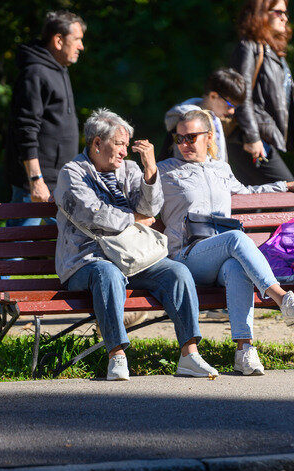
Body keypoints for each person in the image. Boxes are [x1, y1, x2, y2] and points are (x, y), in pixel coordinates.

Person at [55, 109, 212, 381]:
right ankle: (116, 355)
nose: (124, 152)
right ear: (96, 143)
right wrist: (134, 218)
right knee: (108, 274)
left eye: (126, 146)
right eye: (119, 145)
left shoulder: (128, 168)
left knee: (177, 273)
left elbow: (151, 208)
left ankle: (189, 354)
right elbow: (93, 214)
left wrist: (151, 172)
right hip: (86, 260)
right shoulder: (72, 173)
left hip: (131, 257)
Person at [158, 110, 294, 376]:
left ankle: (245, 351)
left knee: (236, 267)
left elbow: (246, 192)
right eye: (179, 138)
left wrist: (285, 185)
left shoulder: (221, 168)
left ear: (208, 137)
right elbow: (143, 197)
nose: (184, 144)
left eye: (191, 138)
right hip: (186, 257)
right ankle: (283, 299)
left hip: (220, 259)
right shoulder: (165, 171)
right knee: (235, 238)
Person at [0, 10, 85, 333]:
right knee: (17, 247)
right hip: (40, 182)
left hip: (58, 179)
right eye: (77, 39)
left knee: (65, 239)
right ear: (58, 39)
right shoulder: (36, 72)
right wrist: (34, 178)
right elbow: (25, 129)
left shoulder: (57, 68)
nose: (81, 47)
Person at [228, 0, 294, 186]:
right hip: (248, 139)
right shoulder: (249, 47)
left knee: (260, 204)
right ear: (260, 13)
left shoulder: (273, 53)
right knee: (290, 193)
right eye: (278, 12)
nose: (284, 17)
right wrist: (252, 137)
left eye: (285, 13)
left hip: (262, 137)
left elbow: (287, 99)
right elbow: (241, 96)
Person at [162, 68, 246, 163]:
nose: (232, 111)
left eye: (235, 107)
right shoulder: (186, 122)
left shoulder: (215, 119)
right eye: (230, 105)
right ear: (213, 96)